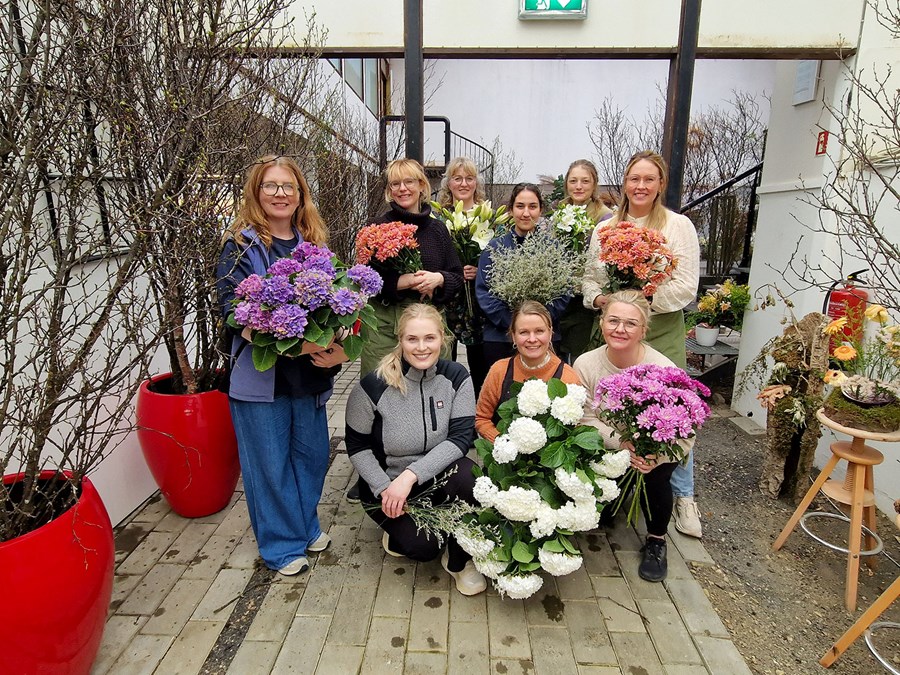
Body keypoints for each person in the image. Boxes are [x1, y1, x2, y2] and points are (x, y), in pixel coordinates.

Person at [216, 155, 347, 576]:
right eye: (270, 186)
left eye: (288, 186)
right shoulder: (240, 245)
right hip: (262, 379)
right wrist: (291, 344)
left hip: (308, 376)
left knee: (309, 457)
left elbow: (338, 309)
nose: (280, 194)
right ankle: (280, 546)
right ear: (256, 192)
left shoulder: (314, 244)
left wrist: (339, 340)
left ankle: (305, 527)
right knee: (268, 464)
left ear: (300, 194)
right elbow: (232, 311)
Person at [581, 150, 703, 539]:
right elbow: (589, 280)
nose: (640, 186)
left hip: (661, 327)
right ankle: (619, 483)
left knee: (671, 413)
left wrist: (640, 301)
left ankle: (681, 494)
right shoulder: (605, 228)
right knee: (611, 405)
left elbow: (685, 286)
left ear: (660, 185)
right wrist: (606, 302)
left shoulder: (678, 226)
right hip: (616, 326)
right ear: (625, 182)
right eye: (634, 178)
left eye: (649, 179)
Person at [345, 304, 487, 596]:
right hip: (387, 488)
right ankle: (398, 533)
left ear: (442, 339)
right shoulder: (372, 386)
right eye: (412, 339)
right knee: (422, 548)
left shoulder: (457, 377)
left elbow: (460, 439)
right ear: (401, 340)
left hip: (432, 476)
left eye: (429, 338)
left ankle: (460, 561)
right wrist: (385, 487)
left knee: (470, 476)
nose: (421, 347)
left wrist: (410, 476)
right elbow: (357, 446)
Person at [573, 290, 696, 582]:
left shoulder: (664, 369)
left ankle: (656, 539)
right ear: (602, 323)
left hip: (654, 452)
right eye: (613, 320)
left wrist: (656, 455)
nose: (620, 329)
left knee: (657, 478)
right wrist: (621, 443)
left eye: (630, 323)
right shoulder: (586, 364)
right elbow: (583, 417)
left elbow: (687, 430)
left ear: (644, 329)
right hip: (608, 447)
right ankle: (616, 496)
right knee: (602, 515)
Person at [359, 158, 464, 378]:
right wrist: (401, 282)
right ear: (389, 190)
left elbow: (457, 276)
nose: (403, 189)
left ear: (422, 185)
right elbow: (363, 280)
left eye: (409, 182)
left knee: (433, 389)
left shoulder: (437, 230)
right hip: (386, 325)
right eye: (395, 184)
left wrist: (439, 279)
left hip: (429, 322)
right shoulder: (376, 228)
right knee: (381, 388)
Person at [475, 183, 569, 371]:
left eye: (532, 206)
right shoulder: (494, 248)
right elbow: (484, 293)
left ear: (541, 210)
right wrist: (514, 325)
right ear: (511, 210)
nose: (526, 213)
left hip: (544, 339)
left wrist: (537, 324)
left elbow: (563, 293)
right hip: (501, 337)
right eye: (520, 206)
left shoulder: (554, 249)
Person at [476, 301, 581, 442]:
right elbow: (482, 419)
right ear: (513, 336)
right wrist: (503, 443)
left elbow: (575, 427)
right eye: (524, 332)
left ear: (550, 333)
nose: (532, 339)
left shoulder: (567, 376)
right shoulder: (499, 370)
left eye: (539, 331)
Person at [437, 157, 490, 396]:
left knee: (480, 364)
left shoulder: (486, 216)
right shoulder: (439, 218)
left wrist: (480, 271)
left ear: (476, 183)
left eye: (469, 178)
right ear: (449, 183)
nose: (463, 184)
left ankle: (480, 411)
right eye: (457, 178)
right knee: (446, 360)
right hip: (448, 299)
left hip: (477, 302)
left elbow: (496, 256)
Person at [556, 159, 614, 364]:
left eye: (585, 181)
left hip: (584, 299)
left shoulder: (604, 217)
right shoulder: (560, 212)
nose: (578, 186)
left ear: (594, 184)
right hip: (560, 295)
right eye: (573, 181)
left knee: (579, 355)